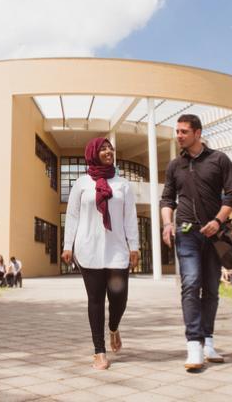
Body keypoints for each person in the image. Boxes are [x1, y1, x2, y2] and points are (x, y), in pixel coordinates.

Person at [160, 114, 232, 370]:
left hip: (215, 235)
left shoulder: (219, 160)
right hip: (186, 233)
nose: (179, 135)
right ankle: (193, 344)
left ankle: (208, 341)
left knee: (212, 289)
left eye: (184, 131)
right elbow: (167, 199)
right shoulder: (175, 165)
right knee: (191, 284)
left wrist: (217, 221)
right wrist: (167, 224)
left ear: (197, 133)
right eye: (177, 131)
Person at [62, 137, 139, 370]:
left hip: (116, 250)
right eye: (103, 148)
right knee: (95, 300)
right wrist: (68, 245)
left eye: (110, 148)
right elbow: (72, 215)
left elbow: (129, 217)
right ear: (93, 153)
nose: (108, 151)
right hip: (89, 249)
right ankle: (99, 351)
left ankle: (114, 327)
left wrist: (134, 246)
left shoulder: (122, 184)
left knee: (119, 298)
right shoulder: (82, 183)